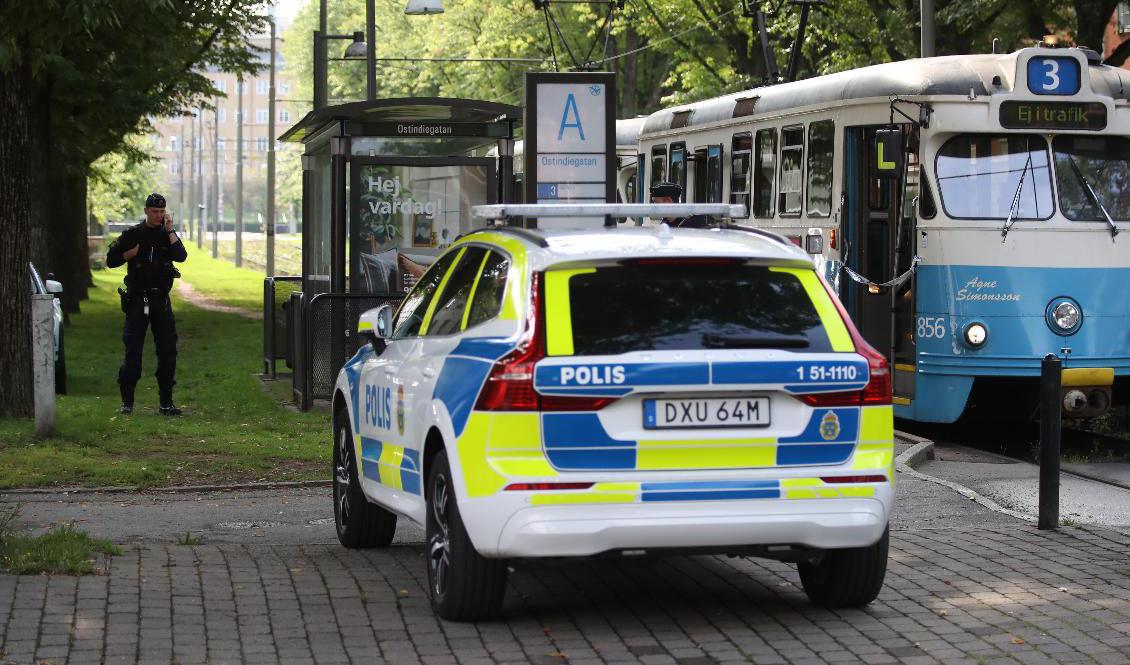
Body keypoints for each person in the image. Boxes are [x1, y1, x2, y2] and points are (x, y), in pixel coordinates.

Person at [106, 193, 188, 415]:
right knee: (134, 351)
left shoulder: (166, 235)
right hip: (138, 301)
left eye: (162, 212)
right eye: (154, 211)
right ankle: (127, 402)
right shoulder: (133, 234)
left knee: (168, 351)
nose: (158, 215)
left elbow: (181, 256)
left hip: (160, 300)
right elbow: (110, 260)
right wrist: (128, 254)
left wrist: (170, 230)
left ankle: (166, 402)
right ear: (146, 211)